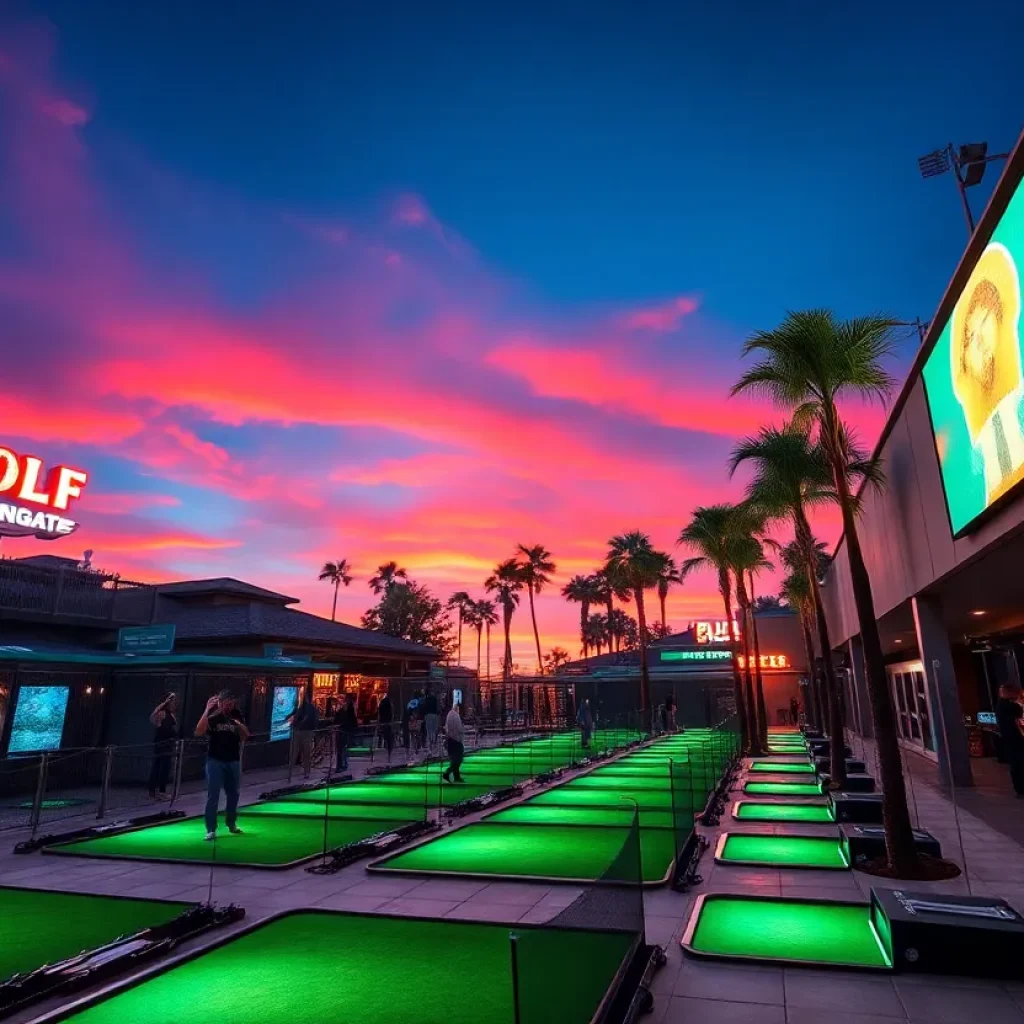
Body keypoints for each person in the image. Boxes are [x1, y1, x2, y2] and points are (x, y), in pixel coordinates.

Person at [195, 689, 249, 840]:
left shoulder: (237, 715)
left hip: (233, 760)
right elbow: (199, 731)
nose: (229, 706)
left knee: (233, 794)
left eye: (231, 703)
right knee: (213, 795)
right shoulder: (214, 717)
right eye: (226, 703)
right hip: (215, 760)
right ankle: (211, 829)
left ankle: (231, 823)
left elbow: (245, 735)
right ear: (220, 703)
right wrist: (207, 710)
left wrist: (237, 723)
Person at [995, 683, 1024, 797]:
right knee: (1018, 764)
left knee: (1016, 764)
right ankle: (1021, 789)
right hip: (1015, 739)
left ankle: (1020, 789)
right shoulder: (1010, 706)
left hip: (1010, 739)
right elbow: (1018, 713)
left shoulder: (1002, 705)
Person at [148, 691, 177, 800]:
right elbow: (152, 717)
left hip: (169, 744)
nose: (174, 703)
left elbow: (174, 729)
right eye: (172, 701)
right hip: (161, 744)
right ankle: (154, 791)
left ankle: (161, 791)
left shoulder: (171, 716)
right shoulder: (161, 714)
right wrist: (165, 702)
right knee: (157, 767)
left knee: (165, 768)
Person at [287, 693, 319, 778]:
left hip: (299, 732)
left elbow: (294, 717)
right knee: (306, 753)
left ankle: (290, 772)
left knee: (295, 752)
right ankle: (306, 772)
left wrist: (292, 721)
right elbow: (315, 721)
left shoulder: (301, 708)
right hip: (307, 732)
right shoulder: (311, 708)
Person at [442, 701, 465, 783]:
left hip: (450, 740)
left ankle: (456, 777)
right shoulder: (455, 715)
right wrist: (461, 735)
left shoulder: (449, 714)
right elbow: (459, 728)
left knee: (455, 759)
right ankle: (447, 773)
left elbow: (446, 727)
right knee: (458, 759)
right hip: (455, 740)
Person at [335, 693, 358, 771]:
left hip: (343, 731)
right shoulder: (348, 709)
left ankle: (342, 765)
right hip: (343, 730)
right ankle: (342, 765)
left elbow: (341, 720)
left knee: (341, 749)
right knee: (342, 749)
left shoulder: (347, 709)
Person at [377, 692, 394, 761]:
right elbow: (391, 713)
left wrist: (380, 722)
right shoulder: (389, 704)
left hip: (383, 722)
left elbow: (379, 713)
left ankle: (383, 746)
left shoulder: (382, 703)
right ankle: (389, 752)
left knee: (384, 736)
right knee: (389, 738)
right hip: (388, 723)